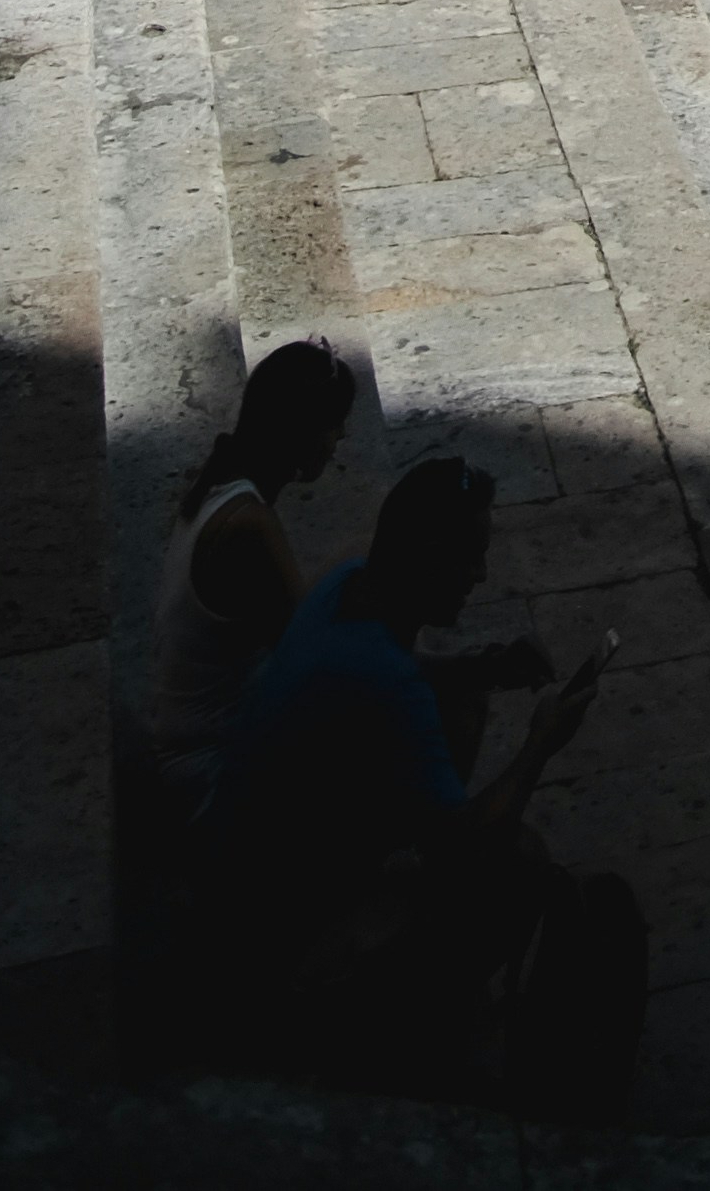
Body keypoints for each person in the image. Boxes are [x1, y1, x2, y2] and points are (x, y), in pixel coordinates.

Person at [198, 454, 638, 1116]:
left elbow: (401, 668)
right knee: (519, 866)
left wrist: (484, 663)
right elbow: (463, 846)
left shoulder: (344, 585)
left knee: (464, 697)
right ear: (427, 554)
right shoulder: (384, 684)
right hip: (279, 943)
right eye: (469, 555)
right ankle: (389, 1032)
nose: (480, 574)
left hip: (250, 864)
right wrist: (540, 742)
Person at [139, 339, 363, 805]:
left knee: (360, 561)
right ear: (301, 431)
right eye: (332, 422)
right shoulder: (248, 528)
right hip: (209, 771)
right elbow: (309, 659)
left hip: (201, 739)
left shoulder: (223, 486)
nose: (340, 435)